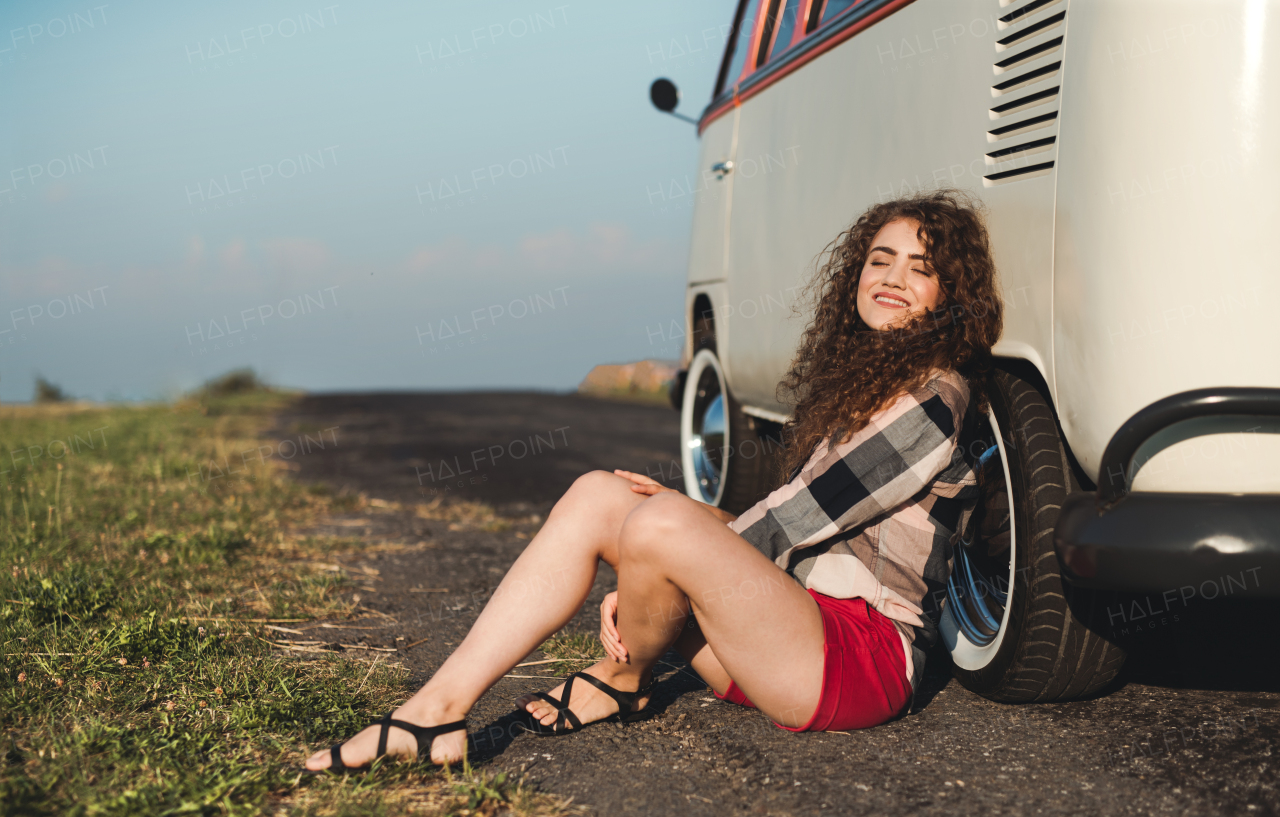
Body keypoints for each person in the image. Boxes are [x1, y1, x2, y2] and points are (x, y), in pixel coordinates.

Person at [304, 189, 1004, 772]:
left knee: (659, 521)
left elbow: (794, 520)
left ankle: (624, 676)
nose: (892, 277)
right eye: (880, 259)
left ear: (950, 295)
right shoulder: (863, 388)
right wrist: (660, 547)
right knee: (602, 493)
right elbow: (789, 522)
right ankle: (434, 711)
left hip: (857, 658)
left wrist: (656, 555)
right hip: (782, 629)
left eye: (920, 268)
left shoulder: (932, 398)